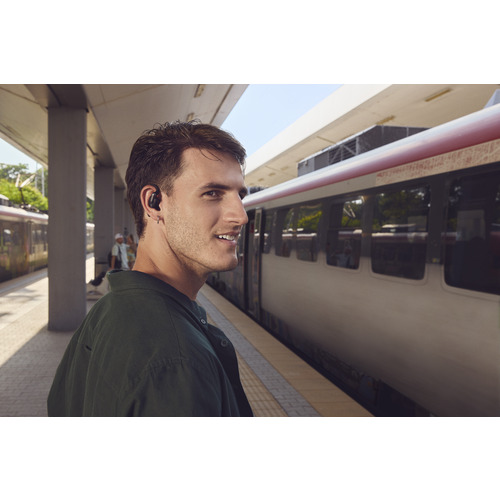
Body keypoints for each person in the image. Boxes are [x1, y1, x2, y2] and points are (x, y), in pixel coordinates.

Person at [47, 121, 253, 417]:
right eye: (213, 193)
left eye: (240, 196)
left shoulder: (107, 310)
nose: (241, 216)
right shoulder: (177, 363)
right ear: (154, 203)